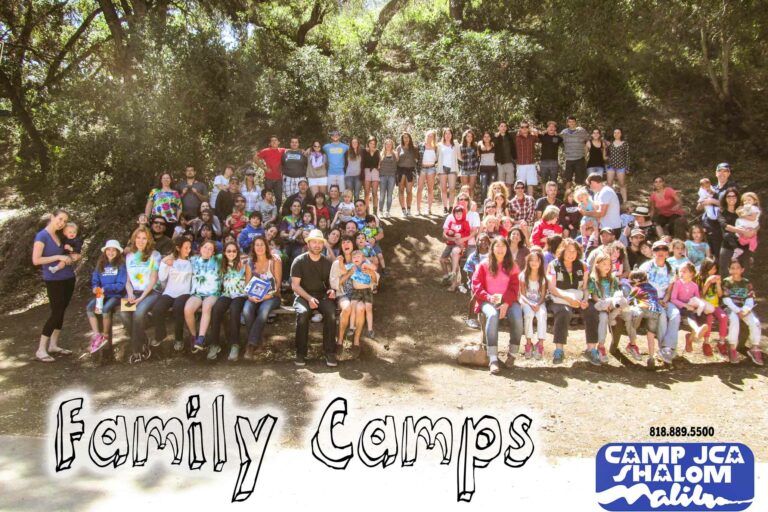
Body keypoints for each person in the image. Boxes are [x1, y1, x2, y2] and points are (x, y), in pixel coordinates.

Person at [471, 236, 523, 375]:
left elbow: (515, 287)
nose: (500, 249)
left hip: (508, 300)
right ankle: (493, 358)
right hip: (487, 300)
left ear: (507, 248)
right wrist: (488, 297)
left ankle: (512, 354)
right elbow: (476, 285)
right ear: (492, 248)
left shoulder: (512, 265)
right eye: (497, 246)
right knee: (493, 315)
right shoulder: (483, 264)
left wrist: (506, 303)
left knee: (518, 317)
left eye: (503, 246)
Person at [290, 229, 338, 367]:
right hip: (303, 295)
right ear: (308, 244)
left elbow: (330, 284)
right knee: (303, 314)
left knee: (331, 314)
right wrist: (309, 298)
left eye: (319, 242)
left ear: (323, 244)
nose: (317, 245)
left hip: (322, 296)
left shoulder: (327, 262)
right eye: (314, 242)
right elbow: (295, 286)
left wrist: (331, 291)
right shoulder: (299, 261)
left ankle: (330, 352)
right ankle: (300, 353)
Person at [121, 226, 161, 364]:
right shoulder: (129, 256)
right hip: (134, 292)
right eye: (138, 237)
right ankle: (143, 341)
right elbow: (127, 281)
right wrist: (130, 293)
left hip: (151, 292)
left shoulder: (155, 255)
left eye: (144, 238)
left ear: (148, 240)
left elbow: (153, 279)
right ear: (134, 239)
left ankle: (137, 351)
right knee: (124, 313)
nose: (141, 241)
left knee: (138, 314)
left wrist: (141, 298)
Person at [546, 238, 590, 365]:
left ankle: (591, 349)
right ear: (562, 251)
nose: (571, 254)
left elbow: (585, 287)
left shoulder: (582, 266)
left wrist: (586, 299)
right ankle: (559, 350)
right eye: (568, 251)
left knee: (591, 311)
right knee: (564, 312)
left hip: (578, 297)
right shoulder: (554, 265)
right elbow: (552, 288)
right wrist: (567, 298)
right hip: (558, 298)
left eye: (574, 251)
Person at [639, 240, 680, 364]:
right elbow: (639, 287)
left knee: (675, 314)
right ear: (653, 252)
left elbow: (669, 290)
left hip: (664, 299)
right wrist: (656, 301)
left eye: (664, 249)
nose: (660, 252)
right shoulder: (646, 267)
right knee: (661, 314)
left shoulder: (671, 268)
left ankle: (668, 347)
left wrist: (665, 300)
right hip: (649, 299)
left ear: (667, 252)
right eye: (657, 249)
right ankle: (663, 348)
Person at [208, 242, 251, 361]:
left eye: (234, 251)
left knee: (234, 310)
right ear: (225, 253)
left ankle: (235, 344)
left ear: (238, 252)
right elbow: (210, 255)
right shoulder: (221, 262)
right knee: (216, 310)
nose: (231, 253)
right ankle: (214, 344)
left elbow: (248, 279)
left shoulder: (244, 263)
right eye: (228, 251)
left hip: (240, 295)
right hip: (226, 294)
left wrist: (244, 258)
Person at [242, 236, 282, 360]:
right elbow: (247, 284)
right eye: (257, 245)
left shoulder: (275, 260)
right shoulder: (250, 263)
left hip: (272, 296)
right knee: (246, 310)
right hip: (254, 296)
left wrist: (266, 296)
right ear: (253, 248)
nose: (259, 247)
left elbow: (278, 285)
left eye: (262, 244)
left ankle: (251, 345)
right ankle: (258, 341)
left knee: (263, 311)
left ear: (266, 246)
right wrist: (250, 296)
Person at [151, 237, 193, 352]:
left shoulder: (192, 261)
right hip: (169, 292)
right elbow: (162, 277)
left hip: (184, 292)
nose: (188, 250)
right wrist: (164, 263)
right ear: (178, 248)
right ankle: (161, 334)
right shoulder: (169, 260)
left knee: (178, 308)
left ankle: (179, 338)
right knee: (157, 309)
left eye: (190, 247)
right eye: (186, 248)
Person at [86, 240, 126, 354]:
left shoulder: (121, 265)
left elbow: (120, 285)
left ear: (118, 252)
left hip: (116, 295)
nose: (111, 252)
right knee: (90, 307)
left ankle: (105, 334)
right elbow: (95, 280)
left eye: (114, 250)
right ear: (105, 251)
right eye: (108, 249)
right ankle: (97, 334)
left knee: (106, 308)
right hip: (101, 295)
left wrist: (107, 288)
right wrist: (95, 287)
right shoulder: (101, 263)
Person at [588, 253, 628, 363]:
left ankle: (626, 344)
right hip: (600, 306)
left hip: (612, 306)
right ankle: (601, 345)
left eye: (609, 264)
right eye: (604, 264)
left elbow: (616, 294)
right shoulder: (593, 279)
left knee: (624, 313)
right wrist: (604, 304)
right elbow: (594, 296)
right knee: (603, 317)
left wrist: (612, 304)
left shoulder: (612, 279)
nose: (607, 266)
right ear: (597, 265)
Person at [722, 259, 763, 365]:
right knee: (734, 321)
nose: (735, 271)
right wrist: (737, 310)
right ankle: (732, 348)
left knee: (755, 322)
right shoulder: (726, 281)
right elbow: (726, 299)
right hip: (731, 308)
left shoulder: (746, 282)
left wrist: (745, 310)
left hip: (744, 308)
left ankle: (755, 347)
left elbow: (750, 299)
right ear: (729, 270)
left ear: (742, 270)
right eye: (732, 268)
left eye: (738, 268)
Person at [185, 240, 222, 353]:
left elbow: (235, 254)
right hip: (197, 293)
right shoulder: (193, 260)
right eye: (205, 247)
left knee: (206, 307)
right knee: (188, 309)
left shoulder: (218, 260)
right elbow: (179, 255)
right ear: (200, 248)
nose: (207, 250)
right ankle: (194, 336)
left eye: (210, 249)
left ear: (213, 252)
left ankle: (201, 338)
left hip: (212, 293)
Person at [332, 235, 366, 354]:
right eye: (343, 242)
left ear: (353, 245)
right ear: (341, 246)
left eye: (349, 242)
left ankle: (356, 341)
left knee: (361, 308)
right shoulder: (337, 262)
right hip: (343, 294)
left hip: (358, 295)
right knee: (346, 308)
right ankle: (340, 341)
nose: (346, 244)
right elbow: (334, 283)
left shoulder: (361, 261)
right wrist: (349, 273)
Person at [697, 163, 737, 257]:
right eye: (720, 171)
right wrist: (703, 203)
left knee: (721, 254)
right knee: (710, 254)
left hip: (722, 225)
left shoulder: (731, 188)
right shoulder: (710, 188)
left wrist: (712, 201)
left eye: (725, 171)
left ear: (729, 173)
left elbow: (732, 204)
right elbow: (698, 207)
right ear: (716, 173)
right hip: (708, 224)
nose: (722, 173)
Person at [340, 250, 378, 347]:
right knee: (352, 306)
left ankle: (370, 329)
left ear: (363, 258)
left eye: (358, 257)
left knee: (368, 308)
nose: (356, 259)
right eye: (354, 257)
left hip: (367, 290)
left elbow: (375, 267)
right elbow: (343, 269)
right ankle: (352, 327)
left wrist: (369, 266)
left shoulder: (365, 264)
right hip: (356, 290)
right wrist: (340, 261)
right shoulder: (352, 266)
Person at [626, 270, 662, 368]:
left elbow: (627, 301)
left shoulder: (636, 288)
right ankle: (651, 358)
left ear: (636, 281)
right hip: (655, 311)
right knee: (650, 335)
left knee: (634, 311)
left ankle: (637, 317)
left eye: (632, 282)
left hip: (644, 307)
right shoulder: (653, 288)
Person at [695, 258, 728, 357]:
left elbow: (720, 294)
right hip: (704, 306)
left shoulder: (716, 278)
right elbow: (699, 296)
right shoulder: (699, 278)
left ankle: (721, 342)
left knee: (723, 317)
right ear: (705, 268)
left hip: (715, 305)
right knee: (709, 319)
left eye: (715, 269)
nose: (713, 271)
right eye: (711, 269)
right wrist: (708, 283)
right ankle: (706, 343)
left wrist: (718, 284)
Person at [519, 251, 547, 360]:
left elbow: (543, 295)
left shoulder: (542, 277)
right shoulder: (523, 275)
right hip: (526, 302)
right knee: (529, 315)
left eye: (537, 260)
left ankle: (540, 344)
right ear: (528, 262)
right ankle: (528, 343)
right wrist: (530, 303)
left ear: (540, 262)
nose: (534, 263)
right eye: (532, 260)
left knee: (542, 315)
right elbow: (522, 294)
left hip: (539, 302)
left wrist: (538, 304)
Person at [717, 187, 751, 275]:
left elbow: (751, 223)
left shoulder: (742, 211)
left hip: (743, 245)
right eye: (729, 196)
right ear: (725, 198)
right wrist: (741, 231)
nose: (731, 198)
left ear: (737, 198)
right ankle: (725, 289)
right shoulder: (721, 211)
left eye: (734, 196)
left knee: (744, 272)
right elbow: (725, 226)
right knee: (724, 272)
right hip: (727, 246)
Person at [581, 173, 622, 238]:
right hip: (603, 228)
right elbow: (596, 212)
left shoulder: (605, 192)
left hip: (612, 228)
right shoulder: (598, 194)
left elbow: (601, 213)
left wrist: (585, 213)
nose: (590, 188)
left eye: (589, 185)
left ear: (592, 182)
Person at [441, 205, 471, 292]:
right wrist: (450, 233)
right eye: (456, 213)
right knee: (442, 260)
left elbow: (467, 233)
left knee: (454, 256)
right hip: (450, 244)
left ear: (463, 214)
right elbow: (446, 233)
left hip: (459, 246)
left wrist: (461, 235)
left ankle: (453, 279)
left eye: (460, 214)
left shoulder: (465, 223)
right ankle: (447, 277)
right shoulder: (451, 222)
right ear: (454, 214)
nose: (458, 215)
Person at [146, 173, 182, 237]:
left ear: (171, 180)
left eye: (168, 178)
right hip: (156, 220)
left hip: (170, 221)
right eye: (164, 178)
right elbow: (149, 205)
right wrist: (147, 218)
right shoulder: (154, 191)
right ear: (161, 180)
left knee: (168, 240)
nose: (166, 179)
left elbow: (179, 207)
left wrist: (177, 219)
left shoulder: (175, 193)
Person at [254, 135, 287, 205]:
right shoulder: (265, 151)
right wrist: (264, 168)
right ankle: (267, 214)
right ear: (270, 143)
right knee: (267, 198)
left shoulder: (282, 150)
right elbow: (255, 158)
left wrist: (302, 150)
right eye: (272, 140)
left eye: (275, 140)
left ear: (278, 142)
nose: (274, 142)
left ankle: (277, 214)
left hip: (279, 179)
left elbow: (293, 150)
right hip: (268, 178)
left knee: (279, 198)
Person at [560, 116, 589, 189]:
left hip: (580, 159)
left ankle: (579, 198)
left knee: (579, 181)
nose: (572, 123)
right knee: (568, 180)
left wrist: (586, 154)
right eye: (570, 122)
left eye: (573, 121)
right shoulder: (564, 132)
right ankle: (567, 198)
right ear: (567, 123)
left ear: (575, 122)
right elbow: (556, 139)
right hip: (569, 159)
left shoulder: (581, 131)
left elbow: (589, 140)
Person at [436, 127, 461, 214]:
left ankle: (451, 207)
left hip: (452, 168)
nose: (447, 135)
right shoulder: (439, 145)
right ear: (443, 135)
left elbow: (459, 156)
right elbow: (436, 157)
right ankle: (445, 207)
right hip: (442, 169)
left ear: (451, 135)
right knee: (443, 189)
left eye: (449, 133)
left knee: (452, 189)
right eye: (446, 133)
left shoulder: (456, 144)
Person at [416, 129, 438, 215]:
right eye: (428, 136)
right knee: (419, 189)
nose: (429, 137)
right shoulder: (421, 145)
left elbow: (437, 159)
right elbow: (416, 157)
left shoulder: (436, 147)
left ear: (434, 137)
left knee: (430, 189)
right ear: (426, 136)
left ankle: (429, 209)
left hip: (431, 169)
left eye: (431, 136)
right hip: (422, 169)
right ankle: (418, 209)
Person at [515, 121, 539, 196]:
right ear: (519, 128)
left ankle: (530, 200)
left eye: (526, 127)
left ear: (528, 128)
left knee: (530, 184)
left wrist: (532, 130)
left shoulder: (532, 137)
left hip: (531, 164)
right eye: (522, 127)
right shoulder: (516, 137)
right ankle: (520, 200)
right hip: (520, 164)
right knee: (520, 185)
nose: (524, 129)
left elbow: (539, 135)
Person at [537, 121, 562, 195]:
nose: (551, 128)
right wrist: (545, 131)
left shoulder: (558, 138)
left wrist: (554, 133)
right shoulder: (542, 136)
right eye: (549, 126)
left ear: (555, 129)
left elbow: (560, 137)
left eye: (553, 127)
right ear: (547, 128)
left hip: (554, 162)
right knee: (544, 180)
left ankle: (553, 195)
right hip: (544, 162)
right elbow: (534, 131)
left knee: (554, 180)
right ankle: (544, 195)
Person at [606, 128, 630, 202]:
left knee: (622, 184)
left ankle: (625, 201)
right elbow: (606, 154)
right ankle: (610, 200)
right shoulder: (610, 143)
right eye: (615, 133)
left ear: (621, 134)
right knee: (609, 184)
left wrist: (627, 168)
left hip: (621, 167)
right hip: (611, 166)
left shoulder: (625, 143)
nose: (616, 134)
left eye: (618, 132)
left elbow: (627, 156)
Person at [494, 121, 517, 190]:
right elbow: (484, 140)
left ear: (506, 128)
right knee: (501, 185)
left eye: (505, 126)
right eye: (501, 126)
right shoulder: (495, 137)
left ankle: (508, 200)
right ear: (498, 128)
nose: (503, 128)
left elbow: (520, 131)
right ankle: (501, 199)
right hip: (500, 163)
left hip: (510, 162)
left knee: (509, 184)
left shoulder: (510, 136)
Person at [458, 129, 480, 200]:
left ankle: (471, 204)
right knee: (464, 189)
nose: (470, 138)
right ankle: (463, 203)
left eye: (471, 136)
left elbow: (478, 157)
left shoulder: (475, 146)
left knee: (471, 188)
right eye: (468, 136)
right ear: (465, 137)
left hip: (473, 170)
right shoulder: (460, 146)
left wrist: (476, 166)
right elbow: (459, 158)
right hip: (464, 169)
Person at [378, 138, 397, 217]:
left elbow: (398, 164)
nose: (388, 145)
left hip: (392, 177)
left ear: (392, 145)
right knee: (382, 195)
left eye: (390, 144)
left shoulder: (395, 154)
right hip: (382, 176)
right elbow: (378, 166)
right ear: (384, 145)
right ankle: (380, 211)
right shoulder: (381, 154)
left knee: (389, 195)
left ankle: (387, 211)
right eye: (387, 144)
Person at [362, 136, 381, 215]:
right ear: (368, 143)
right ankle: (367, 211)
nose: (372, 145)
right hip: (366, 171)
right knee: (366, 192)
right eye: (370, 143)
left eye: (374, 143)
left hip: (375, 172)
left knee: (374, 193)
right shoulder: (364, 151)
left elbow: (380, 162)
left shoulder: (377, 152)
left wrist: (379, 168)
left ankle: (375, 211)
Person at [477, 130, 497, 202]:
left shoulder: (494, 145)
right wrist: (481, 144)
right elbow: (477, 143)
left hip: (493, 169)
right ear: (483, 138)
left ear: (490, 137)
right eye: (485, 137)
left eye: (488, 136)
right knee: (483, 186)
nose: (486, 138)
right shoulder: (480, 146)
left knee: (492, 187)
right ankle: (483, 203)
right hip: (483, 169)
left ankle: (492, 203)